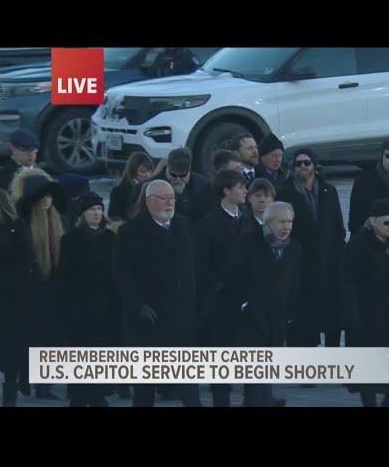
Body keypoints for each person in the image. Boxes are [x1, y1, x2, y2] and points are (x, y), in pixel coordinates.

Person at [113, 179, 200, 407]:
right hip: (150, 316)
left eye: (172, 198)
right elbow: (123, 274)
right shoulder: (131, 230)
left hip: (181, 314)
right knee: (146, 383)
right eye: (164, 199)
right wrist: (139, 305)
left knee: (188, 379)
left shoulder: (183, 225)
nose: (170, 203)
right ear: (150, 201)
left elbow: (192, 267)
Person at [345, 198, 389, 407]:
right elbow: (349, 281)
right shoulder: (358, 246)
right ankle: (369, 402)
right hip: (369, 313)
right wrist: (353, 314)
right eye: (387, 223)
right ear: (373, 222)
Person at [232, 202, 303, 407]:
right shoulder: (250, 243)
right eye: (281, 221)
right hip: (252, 316)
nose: (286, 226)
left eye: (289, 221)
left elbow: (294, 282)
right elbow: (234, 277)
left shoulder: (295, 248)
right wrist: (244, 304)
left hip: (278, 316)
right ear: (269, 222)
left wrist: (289, 311)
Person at [277, 148, 346, 351]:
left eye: (306, 163)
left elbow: (337, 225)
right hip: (302, 264)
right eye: (298, 164)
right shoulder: (285, 193)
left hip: (328, 263)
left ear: (315, 166)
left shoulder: (328, 190)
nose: (303, 167)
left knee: (332, 315)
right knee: (303, 318)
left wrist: (338, 255)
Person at [58, 192, 120, 407]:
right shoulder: (70, 239)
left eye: (99, 209)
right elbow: (64, 275)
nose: (96, 213)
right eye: (92, 210)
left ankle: (96, 394)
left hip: (105, 306)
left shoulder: (111, 238)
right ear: (83, 214)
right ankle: (81, 395)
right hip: (80, 307)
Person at [11, 169, 67, 400]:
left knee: (50, 337)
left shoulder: (60, 221)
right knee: (28, 338)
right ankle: (24, 377)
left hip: (53, 289)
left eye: (49, 195)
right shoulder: (21, 226)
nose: (46, 200)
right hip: (27, 292)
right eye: (42, 196)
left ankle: (43, 385)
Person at [195, 169, 248, 407]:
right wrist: (216, 287)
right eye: (240, 186)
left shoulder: (246, 219)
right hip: (220, 298)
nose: (245, 191)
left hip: (246, 297)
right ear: (226, 191)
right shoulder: (209, 224)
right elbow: (202, 264)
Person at [0, 189, 32, 406]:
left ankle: (10, 391)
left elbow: (25, 261)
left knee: (9, 349)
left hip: (9, 299)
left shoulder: (16, 228)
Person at [136, 148, 214, 224]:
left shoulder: (203, 186)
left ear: (189, 169)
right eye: (173, 175)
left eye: (182, 176)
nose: (178, 179)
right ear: (168, 167)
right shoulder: (149, 186)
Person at [108, 152, 154, 221]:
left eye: (149, 171)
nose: (147, 175)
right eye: (143, 171)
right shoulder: (119, 191)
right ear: (133, 171)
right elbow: (114, 217)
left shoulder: (154, 189)